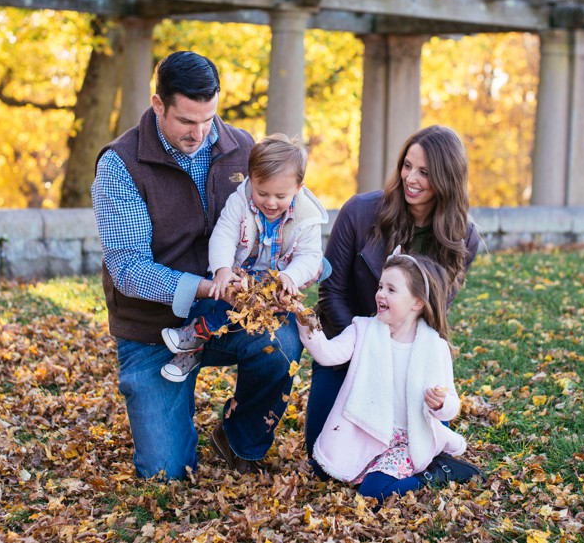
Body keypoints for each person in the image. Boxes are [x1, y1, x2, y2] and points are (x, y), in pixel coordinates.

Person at [91, 51, 302, 479]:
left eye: (208, 118)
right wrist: (207, 286)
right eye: (187, 121)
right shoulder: (120, 165)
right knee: (166, 473)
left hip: (230, 314)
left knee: (283, 343)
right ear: (157, 105)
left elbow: (290, 207)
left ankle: (240, 438)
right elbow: (128, 268)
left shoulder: (243, 148)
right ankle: (172, 409)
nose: (200, 132)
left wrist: (292, 269)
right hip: (153, 328)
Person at [307, 125, 482, 471]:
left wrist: (399, 363)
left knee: (424, 459)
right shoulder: (359, 212)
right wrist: (365, 348)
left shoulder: (463, 238)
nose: (410, 178)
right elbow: (331, 291)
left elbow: (434, 316)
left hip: (408, 361)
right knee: (323, 463)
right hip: (348, 346)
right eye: (407, 166)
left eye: (425, 172)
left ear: (447, 179)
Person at [291, 250, 482, 501]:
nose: (380, 294)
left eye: (391, 290)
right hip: (369, 429)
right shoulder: (364, 329)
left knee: (373, 492)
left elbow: (452, 406)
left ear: (417, 302)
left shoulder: (433, 347)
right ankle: (369, 466)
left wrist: (440, 404)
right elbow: (328, 354)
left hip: (408, 441)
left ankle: (437, 472)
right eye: (380, 286)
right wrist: (306, 321)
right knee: (320, 473)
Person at [159, 133, 328, 382]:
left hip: (274, 284)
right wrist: (223, 269)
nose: (270, 203)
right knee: (219, 298)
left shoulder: (307, 217)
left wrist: (290, 275)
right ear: (252, 181)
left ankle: (197, 335)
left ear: (298, 188)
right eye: (262, 193)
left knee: (270, 326)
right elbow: (224, 235)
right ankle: (192, 345)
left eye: (280, 196)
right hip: (241, 274)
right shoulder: (240, 200)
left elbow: (310, 256)